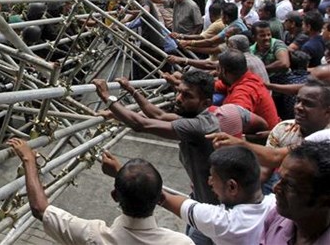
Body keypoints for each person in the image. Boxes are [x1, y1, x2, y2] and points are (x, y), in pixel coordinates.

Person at [94, 72, 268, 245]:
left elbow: (141, 124)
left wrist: (107, 97)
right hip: (203, 199)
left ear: (205, 103)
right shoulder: (199, 117)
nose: (178, 98)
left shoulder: (198, 126)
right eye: (179, 91)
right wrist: (132, 90)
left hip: (214, 210)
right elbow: (158, 115)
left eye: (187, 96)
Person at [7, 138, 194, 245]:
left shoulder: (94, 236)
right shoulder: (181, 243)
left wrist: (29, 159)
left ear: (114, 196)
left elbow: (40, 208)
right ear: (160, 198)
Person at [161, 146, 275, 245]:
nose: (209, 182)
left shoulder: (224, 223)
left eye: (212, 177)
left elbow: (165, 199)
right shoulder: (275, 204)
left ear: (232, 187)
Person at [260, 141, 330, 245]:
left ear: (324, 200)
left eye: (290, 185)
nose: (275, 188)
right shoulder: (275, 218)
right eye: (280, 178)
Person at [214, 49, 280, 128]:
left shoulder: (243, 91)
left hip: (264, 137)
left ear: (223, 71)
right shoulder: (242, 78)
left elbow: (232, 119)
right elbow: (219, 85)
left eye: (218, 69)